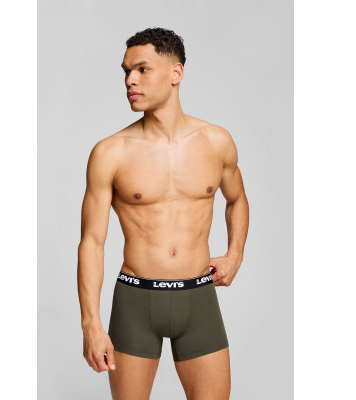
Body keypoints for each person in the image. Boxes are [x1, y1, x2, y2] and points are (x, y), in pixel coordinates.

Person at [77, 27, 249, 400]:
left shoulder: (216, 142)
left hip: (198, 299)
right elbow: (92, 242)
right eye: (126, 71)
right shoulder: (110, 152)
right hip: (135, 301)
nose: (130, 80)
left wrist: (235, 253)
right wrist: (91, 324)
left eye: (142, 69)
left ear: (176, 73)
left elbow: (237, 199)